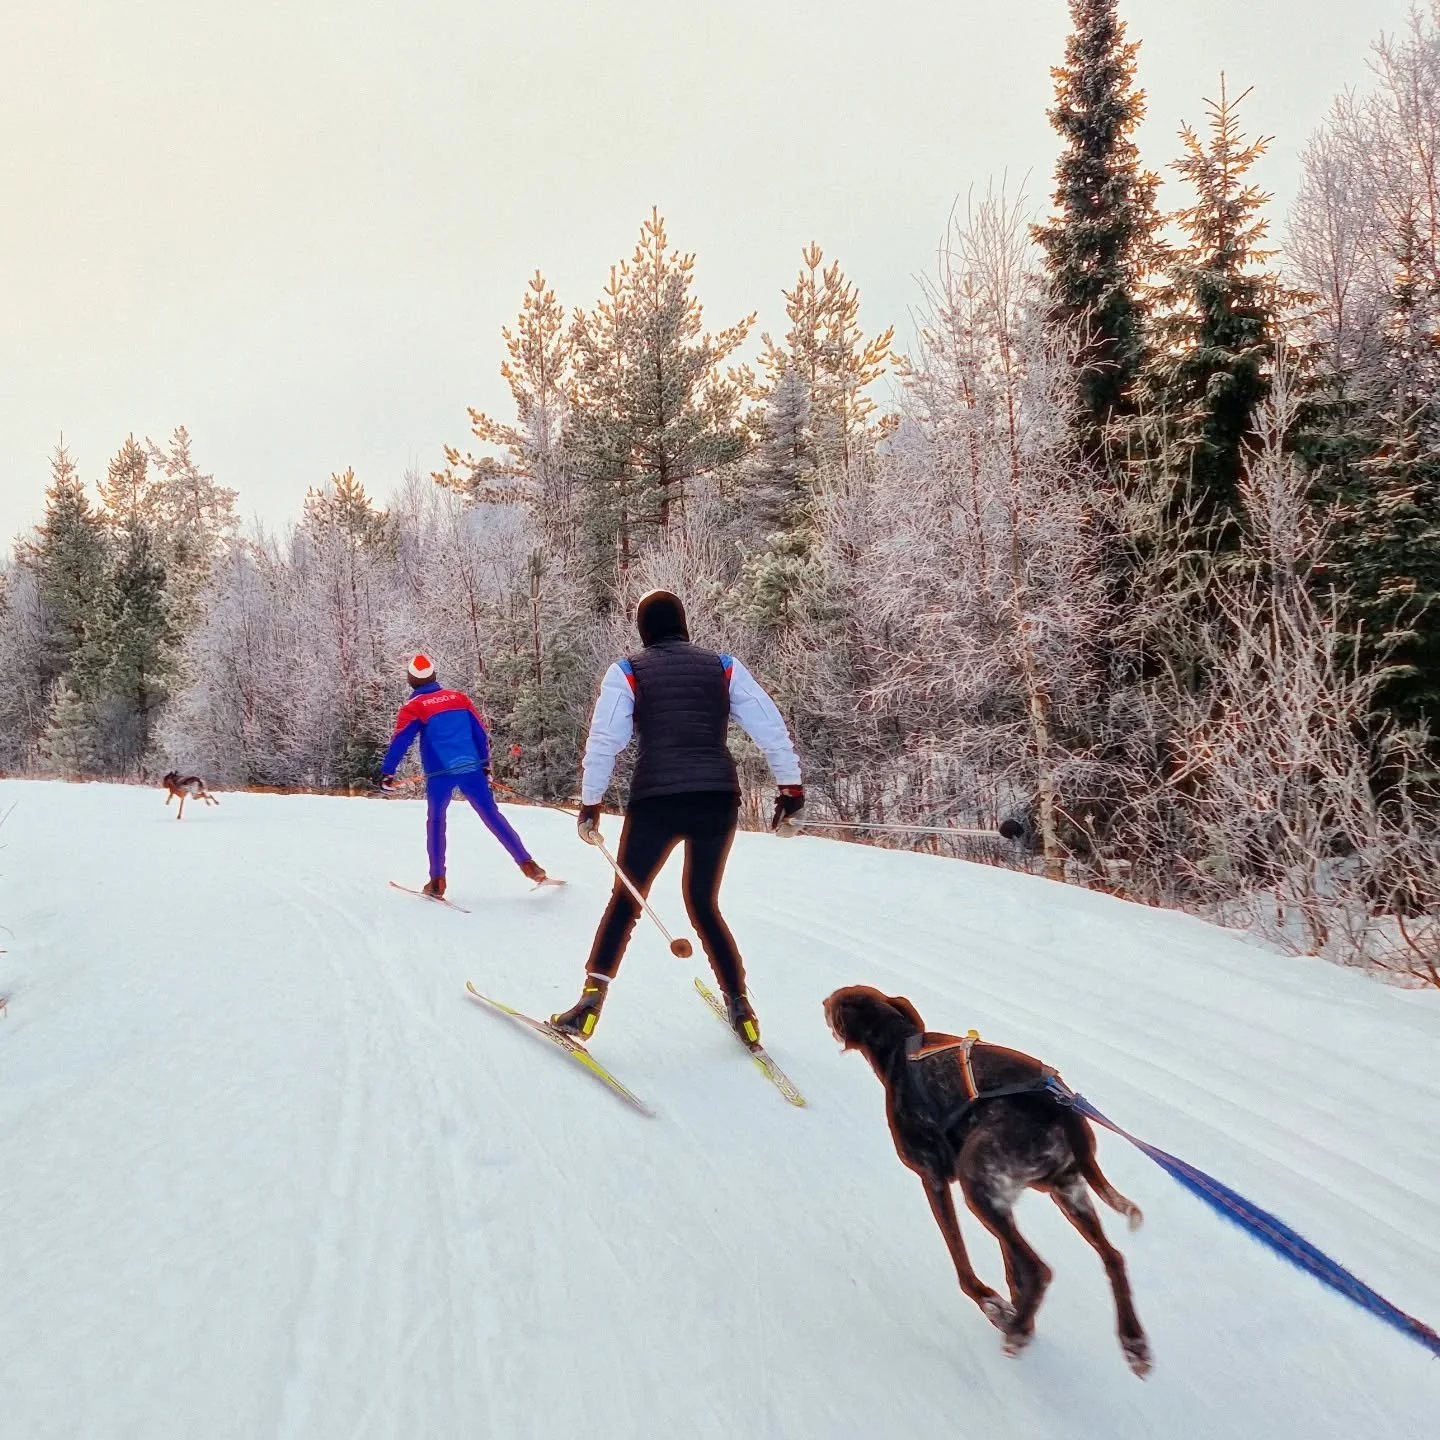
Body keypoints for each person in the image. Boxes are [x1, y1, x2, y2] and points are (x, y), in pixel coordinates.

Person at [549, 590, 804, 1049]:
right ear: (684, 625)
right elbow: (770, 726)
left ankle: (588, 1005)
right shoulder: (724, 665)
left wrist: (591, 804)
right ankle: (741, 1007)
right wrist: (791, 791)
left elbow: (606, 740)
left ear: (643, 631)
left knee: (625, 902)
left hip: (656, 800)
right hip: (717, 797)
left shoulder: (627, 670)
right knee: (704, 904)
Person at [379, 653, 547, 895]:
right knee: (492, 816)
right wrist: (485, 765)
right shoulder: (460, 698)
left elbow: (400, 741)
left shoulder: (413, 707)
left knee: (436, 821)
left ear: (411, 680)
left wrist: (387, 773)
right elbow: (480, 732)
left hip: (440, 773)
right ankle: (528, 864)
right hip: (472, 768)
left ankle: (437, 881)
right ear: (434, 676)